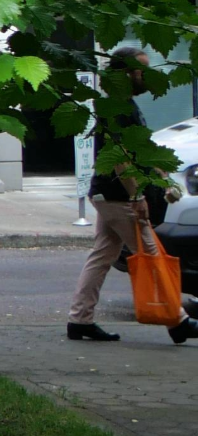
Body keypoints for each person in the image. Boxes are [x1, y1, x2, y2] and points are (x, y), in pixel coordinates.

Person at [67, 49, 194, 343]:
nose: (147, 76)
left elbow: (142, 149)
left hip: (108, 195)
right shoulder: (116, 108)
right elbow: (120, 156)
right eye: (142, 71)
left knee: (102, 255)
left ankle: (79, 319)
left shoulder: (125, 105)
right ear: (125, 74)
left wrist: (163, 180)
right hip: (118, 196)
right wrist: (137, 197)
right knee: (152, 255)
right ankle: (179, 321)